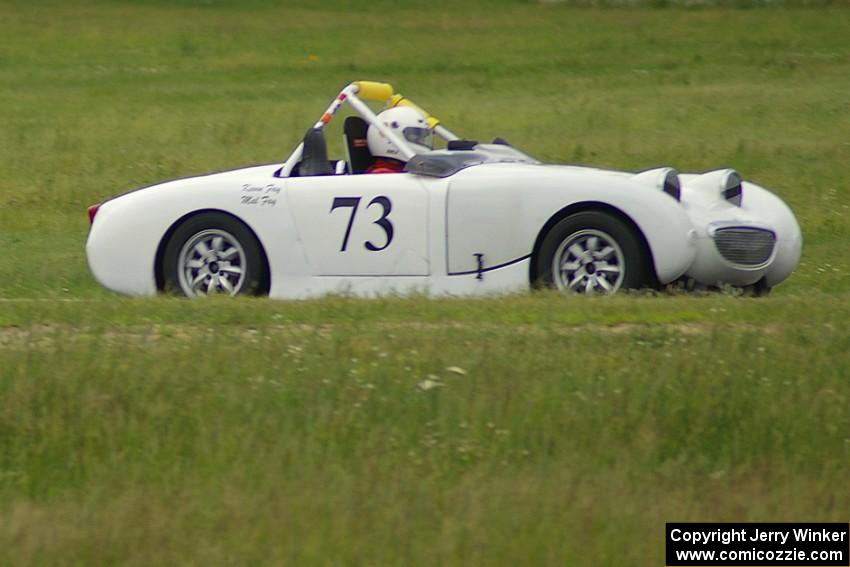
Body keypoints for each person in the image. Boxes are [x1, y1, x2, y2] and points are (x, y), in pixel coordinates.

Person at [366, 106, 433, 173]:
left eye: (420, 138)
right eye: (414, 137)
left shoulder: (405, 170)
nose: (419, 141)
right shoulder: (382, 174)